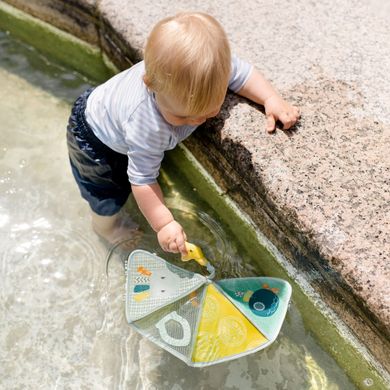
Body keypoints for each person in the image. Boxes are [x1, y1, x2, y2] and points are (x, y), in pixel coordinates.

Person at [66, 12, 300, 255]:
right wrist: (164, 223)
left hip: (117, 120)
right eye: (183, 117)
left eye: (209, 111)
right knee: (106, 194)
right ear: (152, 85)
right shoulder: (146, 124)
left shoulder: (212, 70)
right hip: (93, 141)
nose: (197, 120)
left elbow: (243, 75)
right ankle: (104, 227)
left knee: (141, 157)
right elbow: (142, 180)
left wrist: (270, 98)